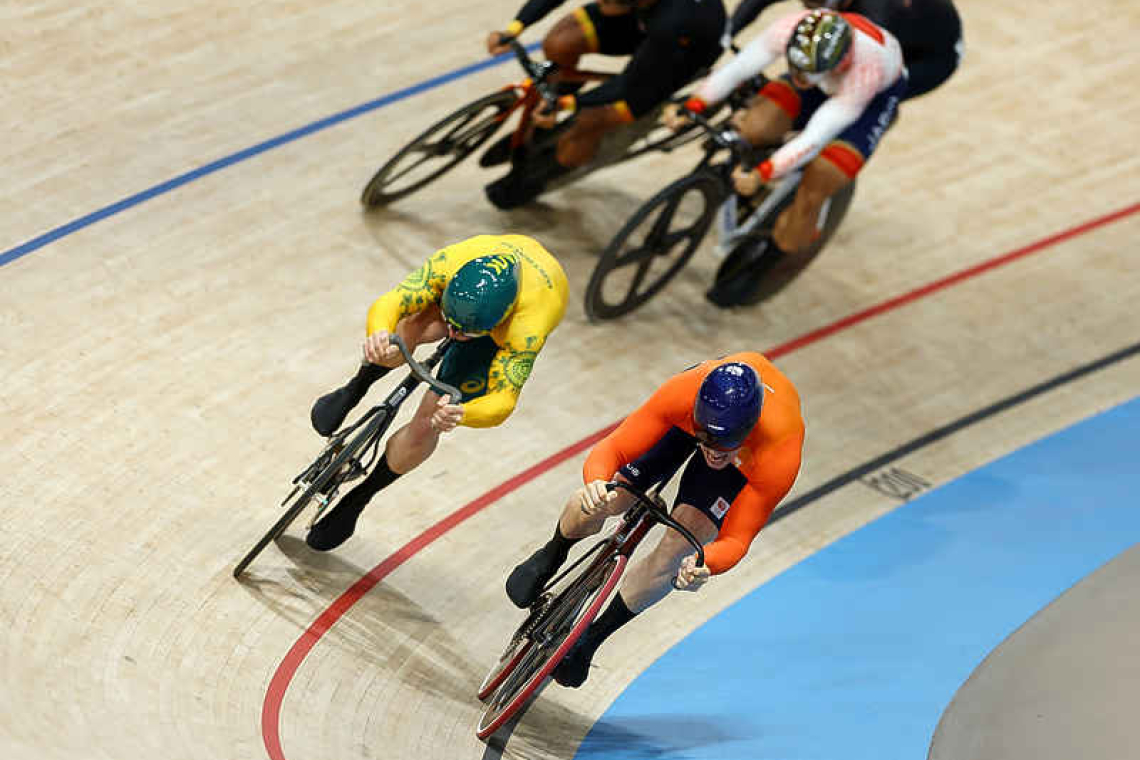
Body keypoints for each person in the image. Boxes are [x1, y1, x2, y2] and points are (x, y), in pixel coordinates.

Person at [505, 353, 804, 687]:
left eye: (725, 442)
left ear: (748, 430)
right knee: (610, 496)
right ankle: (553, 552)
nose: (713, 450)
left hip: (746, 462)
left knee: (682, 547)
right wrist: (596, 483)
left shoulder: (779, 451)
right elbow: (613, 450)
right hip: (684, 423)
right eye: (705, 438)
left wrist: (706, 564)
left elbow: (736, 539)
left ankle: (592, 639)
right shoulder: (681, 394)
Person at [305, 234, 569, 551]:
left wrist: (462, 414)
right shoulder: (451, 263)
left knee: (429, 419)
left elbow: (503, 402)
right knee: (411, 328)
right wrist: (378, 334)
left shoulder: (526, 329)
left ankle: (360, 497)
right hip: (470, 293)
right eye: (451, 323)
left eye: (463, 331)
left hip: (509, 323)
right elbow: (392, 302)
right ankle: (356, 386)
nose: (454, 333)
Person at [664, 8, 906, 305]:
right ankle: (745, 171)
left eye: (807, 73)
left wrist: (765, 172)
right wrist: (694, 105)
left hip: (868, 102)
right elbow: (739, 68)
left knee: (820, 179)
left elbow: (817, 136)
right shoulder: (791, 30)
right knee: (755, 127)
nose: (800, 76)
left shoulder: (867, 69)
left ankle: (768, 263)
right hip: (825, 80)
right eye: (796, 67)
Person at [482, 0, 728, 209]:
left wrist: (568, 105)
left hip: (680, 55)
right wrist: (515, 27)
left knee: (591, 119)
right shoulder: (633, 6)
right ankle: (551, 111)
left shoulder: (672, 24)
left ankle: (536, 178)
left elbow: (628, 85)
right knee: (560, 42)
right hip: (644, 19)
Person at [730, 0, 963, 100]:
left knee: (849, 94)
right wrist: (726, 34)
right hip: (906, 25)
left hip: (930, 60)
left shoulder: (876, 12)